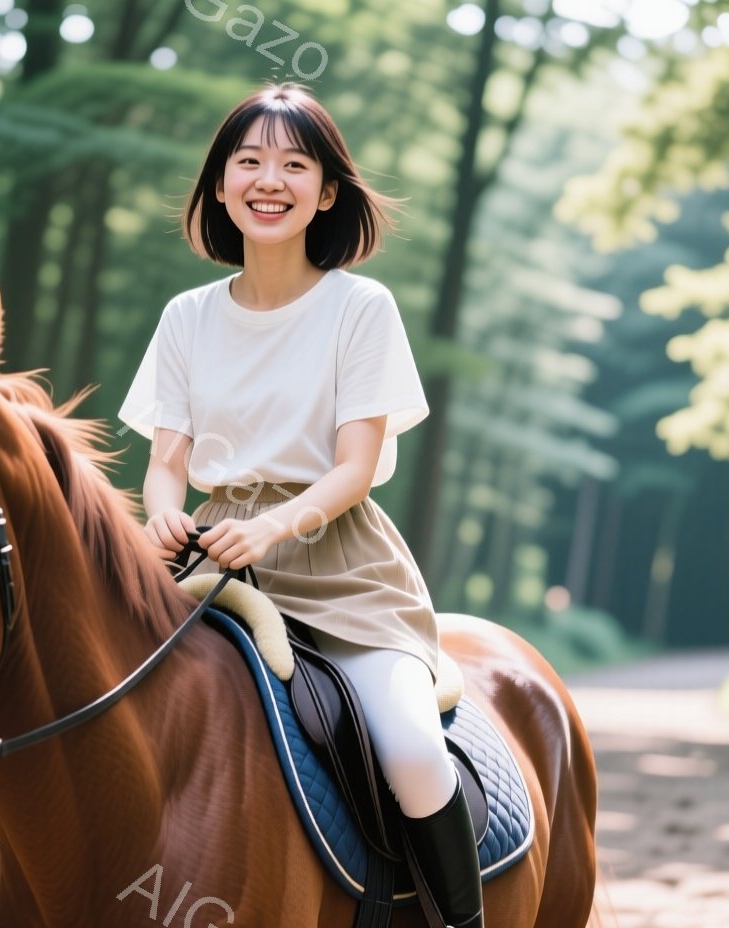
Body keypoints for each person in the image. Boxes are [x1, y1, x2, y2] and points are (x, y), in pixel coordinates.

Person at [117, 82, 482, 928]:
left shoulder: (361, 307)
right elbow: (165, 464)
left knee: (413, 748)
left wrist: (272, 527)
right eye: (248, 161)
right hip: (208, 559)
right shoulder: (185, 317)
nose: (268, 179)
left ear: (326, 192)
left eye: (294, 163)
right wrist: (166, 515)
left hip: (339, 567)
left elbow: (355, 468)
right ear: (218, 185)